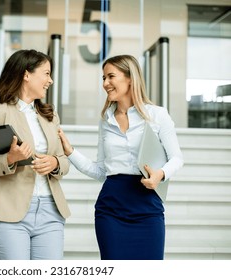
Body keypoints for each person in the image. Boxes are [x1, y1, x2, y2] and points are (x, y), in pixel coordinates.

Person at [58, 54, 184, 260]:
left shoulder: (158, 115)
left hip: (147, 208)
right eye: (103, 78)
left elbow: (177, 158)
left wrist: (160, 175)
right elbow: (100, 171)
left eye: (110, 76)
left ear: (130, 79)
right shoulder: (105, 120)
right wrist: (70, 151)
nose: (105, 83)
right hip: (111, 210)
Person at [0, 49, 70, 260]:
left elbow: (64, 162)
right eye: (46, 73)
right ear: (26, 74)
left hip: (50, 211)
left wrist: (54, 162)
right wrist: (11, 159)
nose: (51, 80)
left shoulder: (49, 115)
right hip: (10, 212)